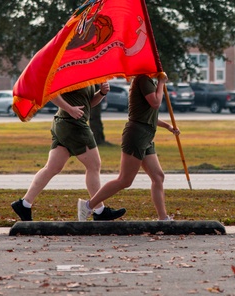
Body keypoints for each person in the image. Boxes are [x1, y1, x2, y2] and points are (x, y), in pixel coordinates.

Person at [11, 82, 125, 222]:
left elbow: (87, 104)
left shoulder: (86, 76)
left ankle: (24, 204)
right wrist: (69, 109)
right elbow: (50, 92)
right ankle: (99, 210)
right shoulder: (71, 72)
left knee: (52, 168)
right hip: (73, 125)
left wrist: (101, 93)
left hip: (64, 123)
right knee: (94, 166)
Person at [79, 73, 180, 222]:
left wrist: (168, 126)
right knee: (125, 180)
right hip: (136, 135)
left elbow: (149, 114)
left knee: (158, 177)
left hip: (146, 136)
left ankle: (163, 217)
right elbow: (156, 103)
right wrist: (162, 82)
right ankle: (88, 206)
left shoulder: (146, 81)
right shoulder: (143, 79)